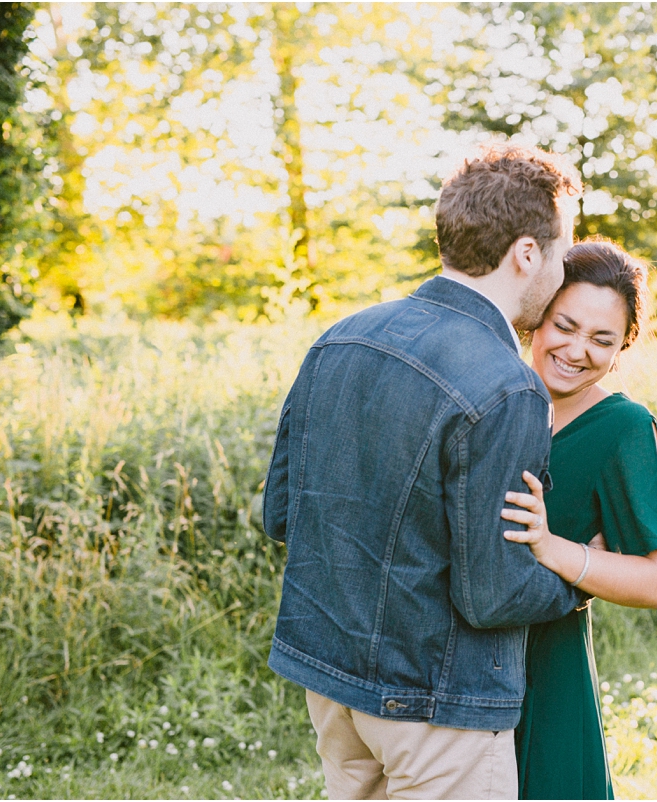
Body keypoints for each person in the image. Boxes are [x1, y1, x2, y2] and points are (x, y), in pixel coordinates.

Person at [262, 143, 586, 800]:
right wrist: (579, 579)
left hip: (333, 683)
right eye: (560, 251)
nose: (560, 268)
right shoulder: (509, 388)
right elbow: (492, 594)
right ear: (527, 253)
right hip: (439, 706)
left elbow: (280, 514)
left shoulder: (340, 338)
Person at [499, 239, 657, 800]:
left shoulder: (624, 428)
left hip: (546, 668)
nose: (576, 350)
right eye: (565, 325)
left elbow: (655, 582)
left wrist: (558, 550)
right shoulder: (493, 395)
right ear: (537, 318)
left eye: (601, 339)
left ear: (623, 346)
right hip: (445, 664)